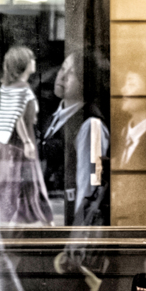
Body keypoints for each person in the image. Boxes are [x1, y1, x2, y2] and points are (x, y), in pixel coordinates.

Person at [37, 50, 109, 226]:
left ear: (86, 82)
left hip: (66, 221)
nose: (62, 77)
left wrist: (78, 233)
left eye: (72, 74)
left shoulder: (91, 125)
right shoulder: (54, 117)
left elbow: (90, 185)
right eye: (62, 69)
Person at [0, 46, 53, 225]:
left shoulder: (8, 87)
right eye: (31, 59)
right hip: (21, 142)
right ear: (24, 63)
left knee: (19, 181)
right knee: (26, 179)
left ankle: (32, 217)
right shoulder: (22, 88)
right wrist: (27, 142)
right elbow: (17, 117)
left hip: (12, 142)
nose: (34, 62)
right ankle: (42, 218)